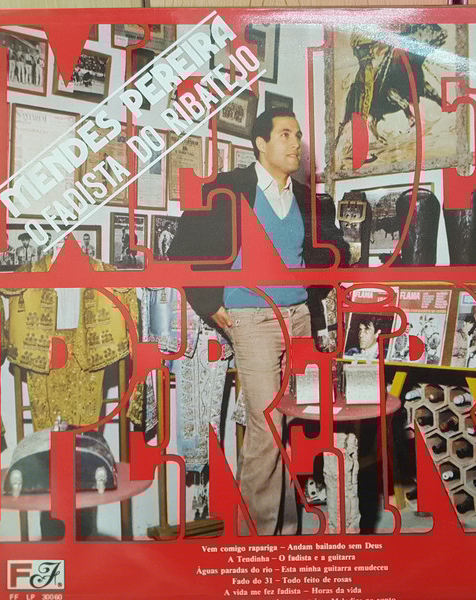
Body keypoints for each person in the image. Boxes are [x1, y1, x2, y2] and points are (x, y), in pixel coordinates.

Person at [169, 108, 350, 535]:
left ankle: (285, 531)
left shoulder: (308, 198)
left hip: (300, 319)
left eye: (298, 135)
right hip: (252, 320)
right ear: (261, 144)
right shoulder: (228, 190)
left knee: (296, 424)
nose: (296, 143)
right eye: (285, 134)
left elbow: (336, 250)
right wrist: (210, 304)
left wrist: (311, 282)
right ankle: (256, 542)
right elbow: (181, 253)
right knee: (267, 429)